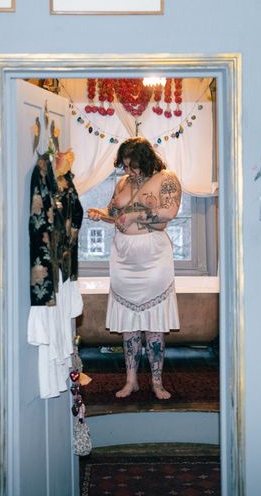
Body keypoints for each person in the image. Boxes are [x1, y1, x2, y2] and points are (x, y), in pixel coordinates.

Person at [87, 137, 181, 399]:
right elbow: (115, 216)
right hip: (123, 256)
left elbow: (169, 212)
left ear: (146, 160)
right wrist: (100, 214)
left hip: (153, 256)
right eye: (125, 166)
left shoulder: (166, 178)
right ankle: (131, 381)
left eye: (132, 166)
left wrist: (137, 215)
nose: (128, 171)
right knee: (128, 321)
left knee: (153, 321)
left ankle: (157, 382)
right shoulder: (122, 183)